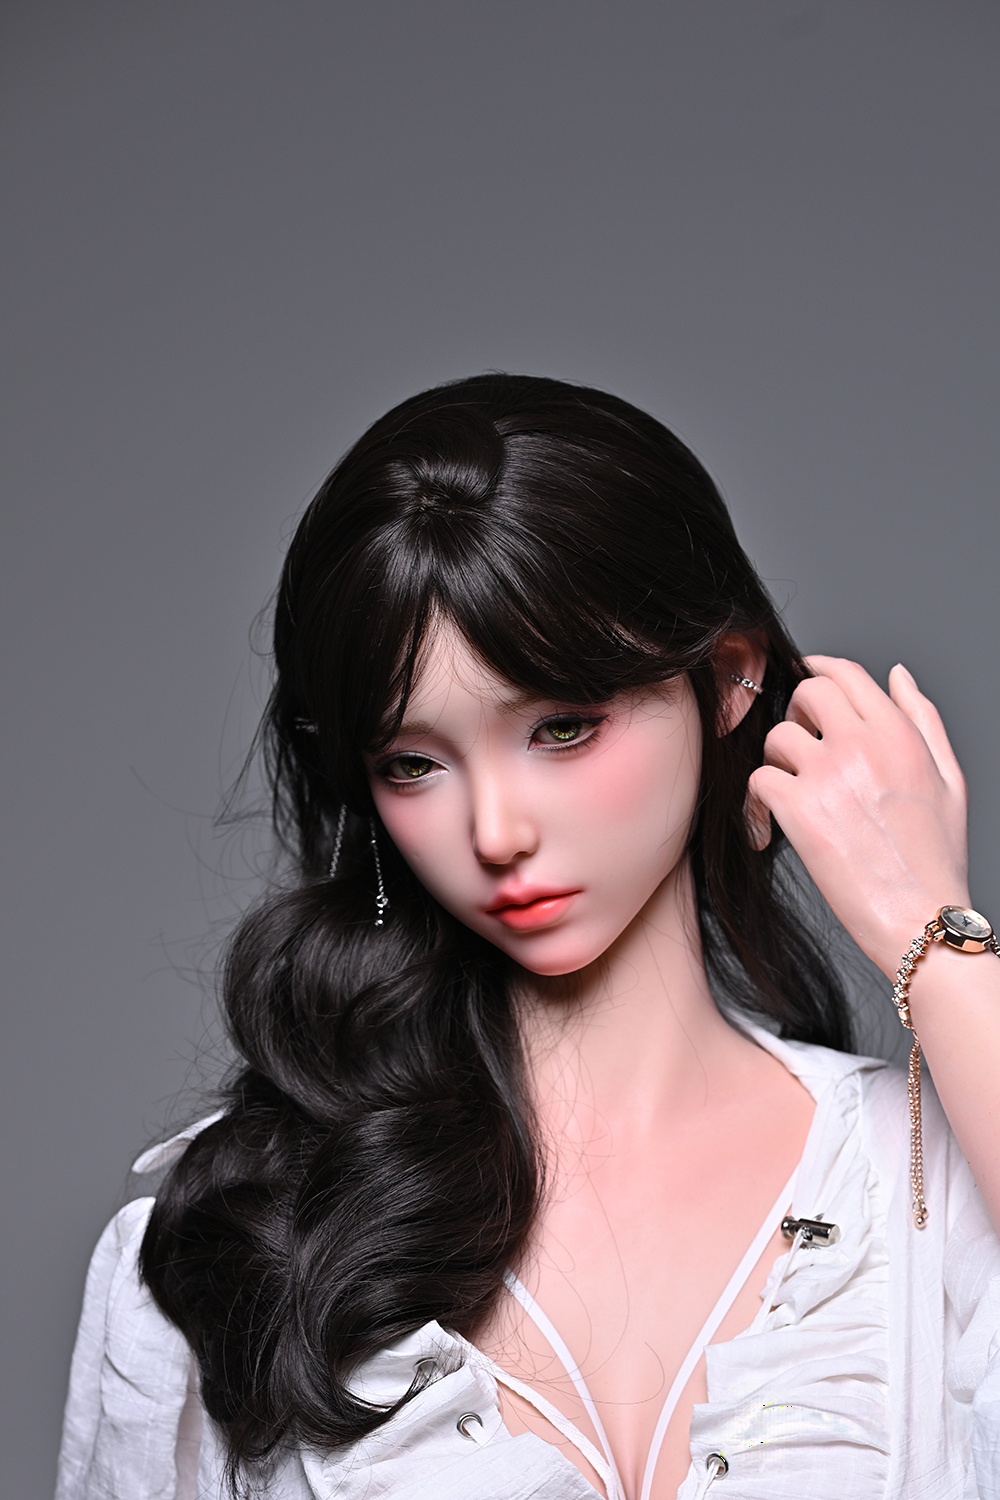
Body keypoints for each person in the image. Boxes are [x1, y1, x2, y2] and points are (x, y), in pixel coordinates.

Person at [56, 375, 1000, 1500]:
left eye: (561, 727)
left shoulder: (939, 1184)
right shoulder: (239, 1232)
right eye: (414, 762)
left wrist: (930, 936)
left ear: (727, 678)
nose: (495, 832)